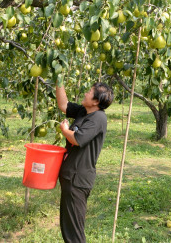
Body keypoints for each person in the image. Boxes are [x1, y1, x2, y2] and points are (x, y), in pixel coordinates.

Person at [56, 81, 114, 243]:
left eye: (89, 91)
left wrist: (65, 130)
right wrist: (59, 80)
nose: (85, 93)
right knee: (68, 227)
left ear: (96, 101)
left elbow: (77, 139)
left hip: (78, 179)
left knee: (74, 232)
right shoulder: (84, 111)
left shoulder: (98, 118)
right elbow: (63, 104)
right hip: (70, 177)